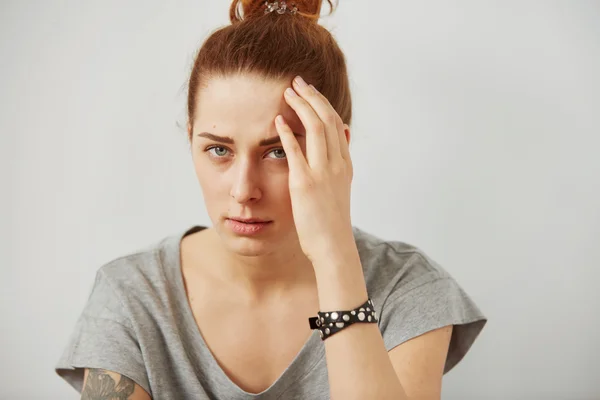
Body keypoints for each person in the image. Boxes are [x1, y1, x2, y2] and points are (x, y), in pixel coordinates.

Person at [55, 1, 488, 398]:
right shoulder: (132, 296)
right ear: (191, 141)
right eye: (218, 150)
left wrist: (335, 255)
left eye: (278, 151)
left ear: (336, 152)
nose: (244, 190)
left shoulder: (407, 289)